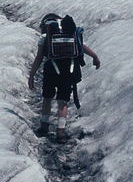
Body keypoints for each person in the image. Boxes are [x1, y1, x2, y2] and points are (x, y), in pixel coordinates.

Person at [28, 13, 100, 142]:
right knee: (63, 101)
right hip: (69, 69)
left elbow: (39, 57)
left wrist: (32, 75)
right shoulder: (72, 34)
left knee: (47, 98)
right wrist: (95, 56)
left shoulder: (45, 37)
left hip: (51, 68)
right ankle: (60, 132)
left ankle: (44, 127)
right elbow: (82, 47)